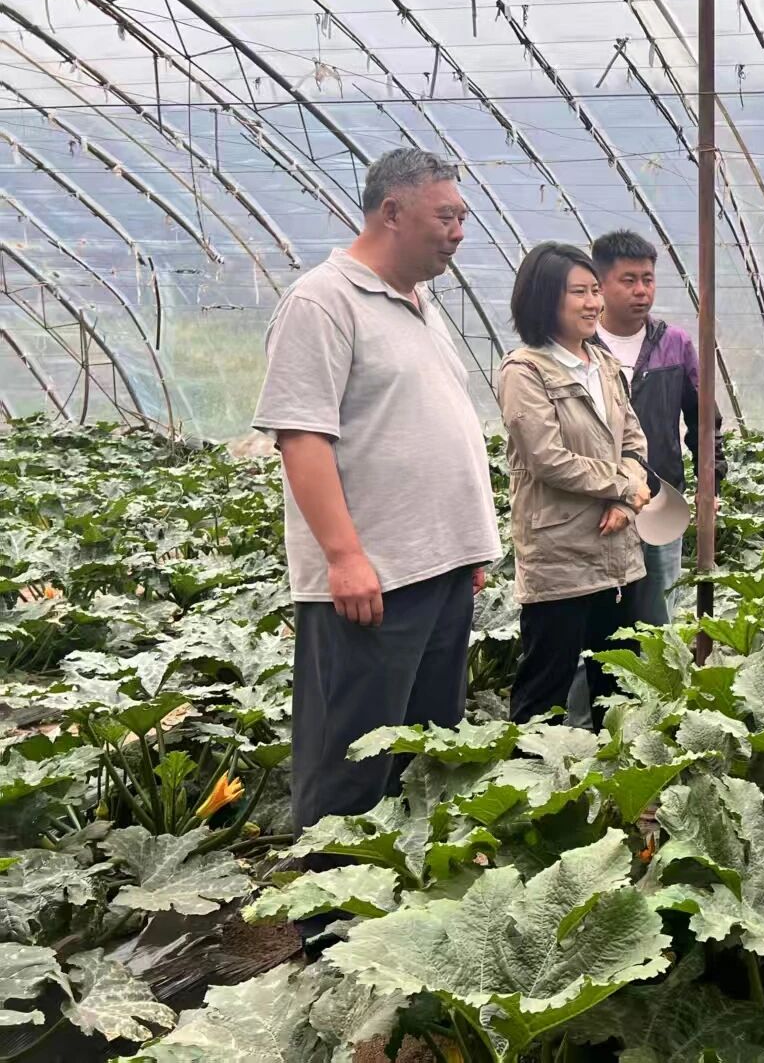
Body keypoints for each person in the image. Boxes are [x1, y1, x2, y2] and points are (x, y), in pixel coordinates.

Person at [253, 148, 499, 905]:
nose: (459, 232)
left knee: (425, 756)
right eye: (446, 216)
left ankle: (404, 919)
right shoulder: (323, 300)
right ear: (391, 211)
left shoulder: (419, 304)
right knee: (353, 761)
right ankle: (332, 926)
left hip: (440, 571)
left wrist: (466, 547)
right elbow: (302, 436)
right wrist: (344, 555)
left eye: (462, 216)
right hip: (374, 580)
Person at [499, 242, 652, 729]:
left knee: (619, 686)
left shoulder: (602, 364)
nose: (593, 303)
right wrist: (623, 488)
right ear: (545, 298)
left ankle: (615, 774)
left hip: (616, 552)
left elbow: (634, 441)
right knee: (544, 691)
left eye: (594, 291)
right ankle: (536, 775)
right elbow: (548, 460)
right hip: (560, 558)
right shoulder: (524, 370)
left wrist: (626, 500)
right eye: (579, 292)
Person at [590, 230, 725, 626]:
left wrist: (710, 483)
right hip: (598, 502)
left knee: (658, 616)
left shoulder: (675, 344)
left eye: (647, 279)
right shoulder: (582, 344)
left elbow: (704, 419)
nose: (641, 290)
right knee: (600, 620)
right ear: (600, 284)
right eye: (629, 280)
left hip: (661, 498)